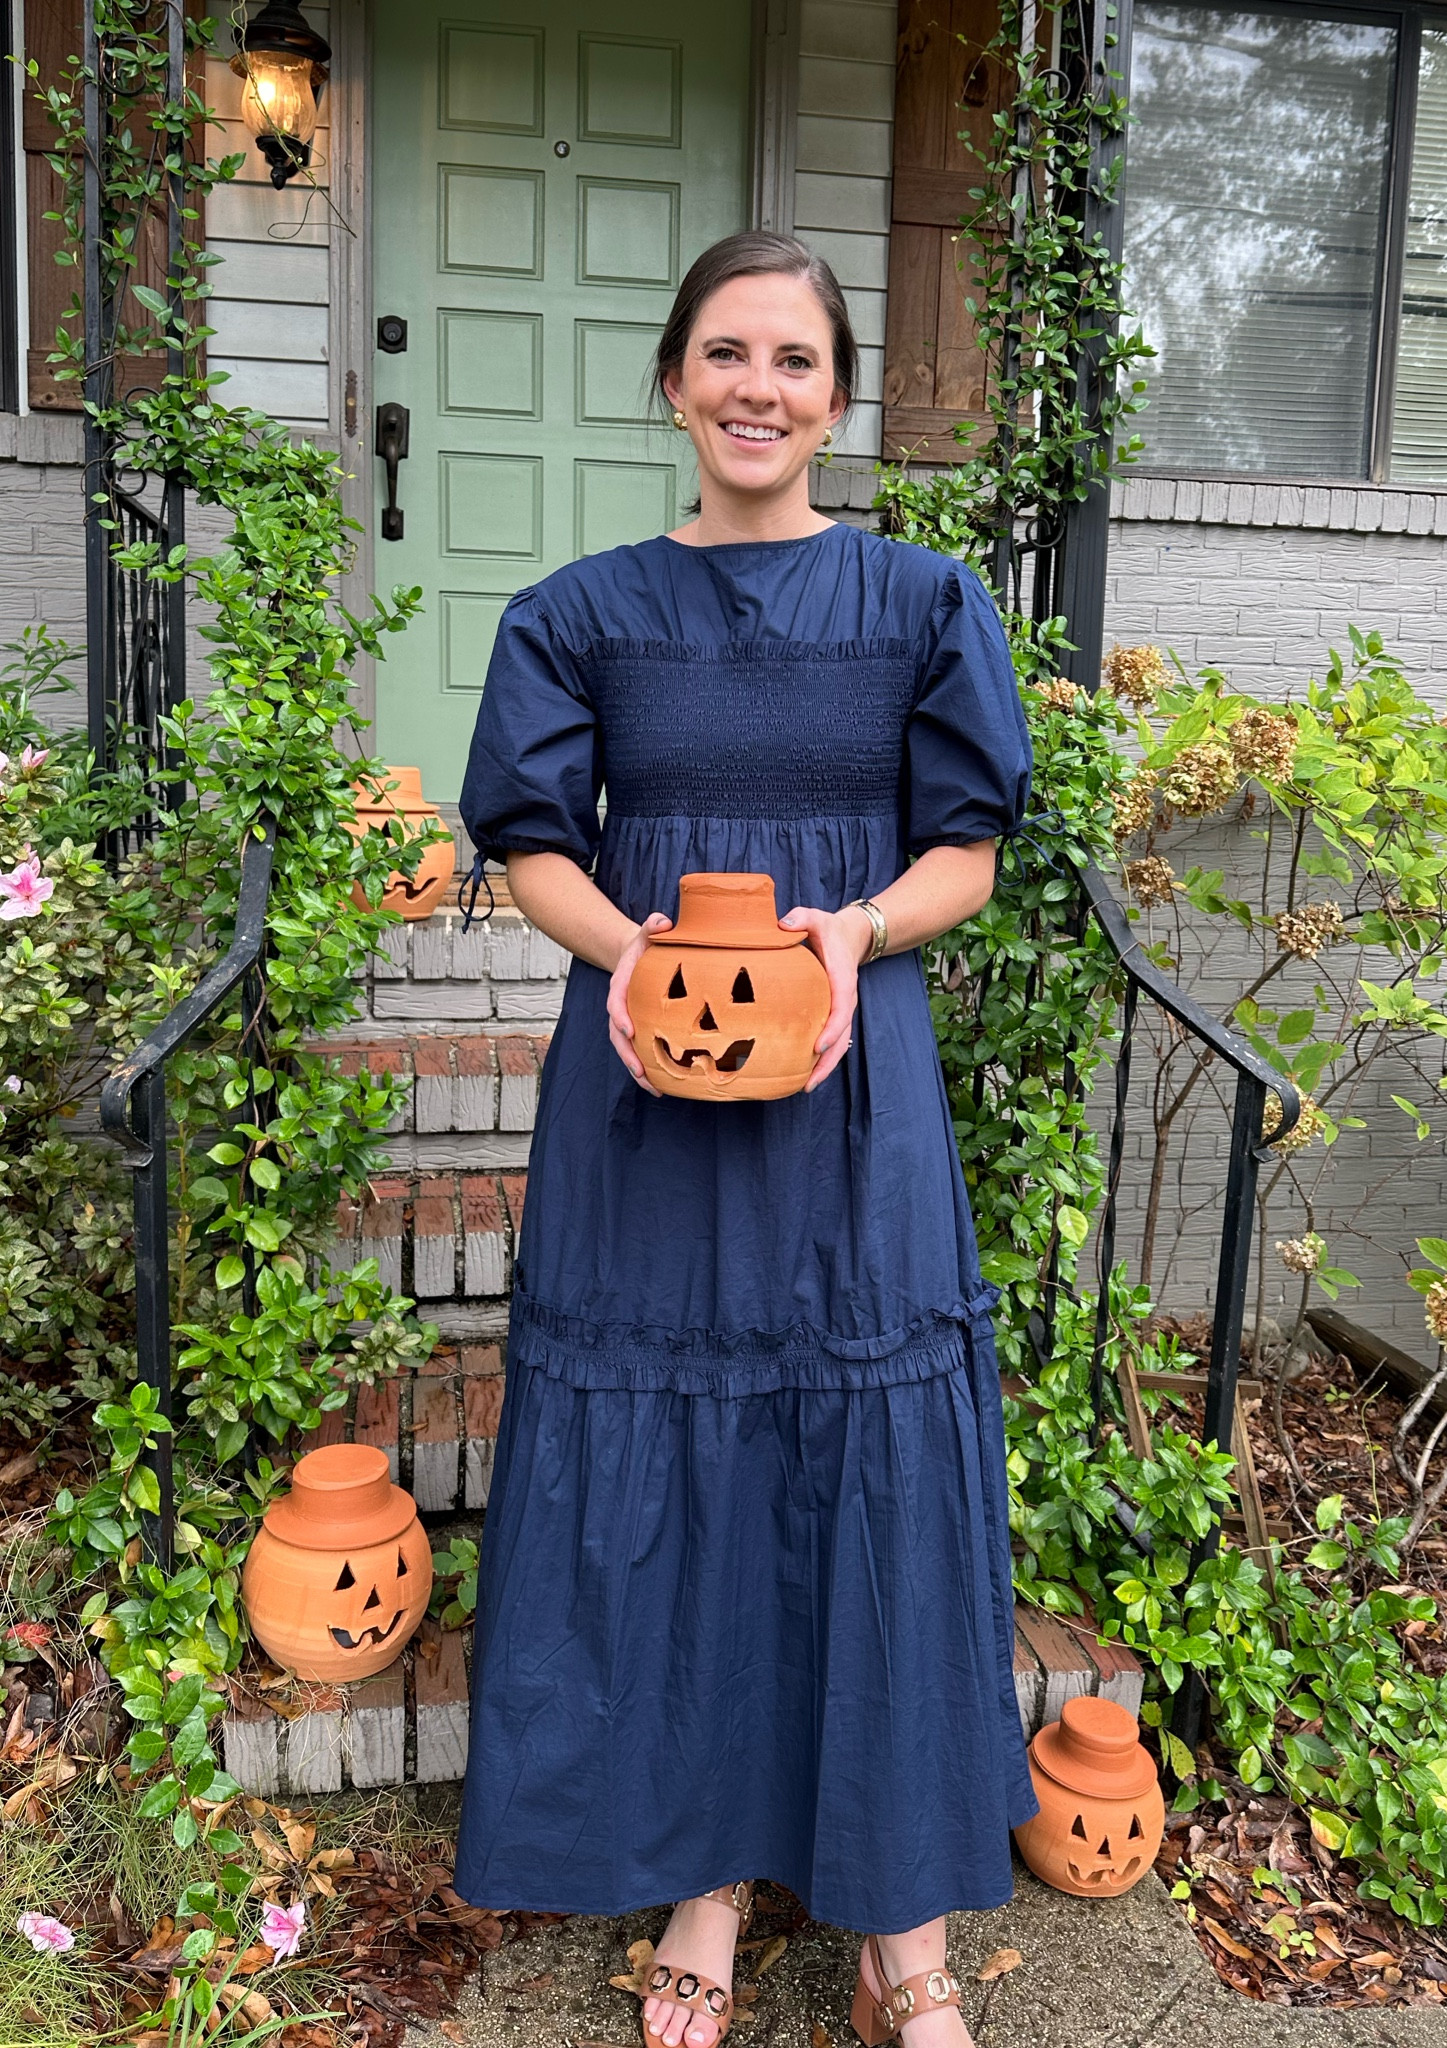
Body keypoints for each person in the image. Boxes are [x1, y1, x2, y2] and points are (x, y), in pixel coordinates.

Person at [453, 230, 1035, 2048]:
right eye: (725, 353)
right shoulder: (576, 613)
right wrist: (643, 952)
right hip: (648, 1094)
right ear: (674, 381)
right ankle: (703, 1887)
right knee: (689, 1468)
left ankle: (898, 1924)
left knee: (863, 1448)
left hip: (856, 1094)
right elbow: (533, 837)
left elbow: (970, 850)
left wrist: (850, 934)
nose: (757, 388)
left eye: (792, 359)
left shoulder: (927, 606)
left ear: (837, 397)